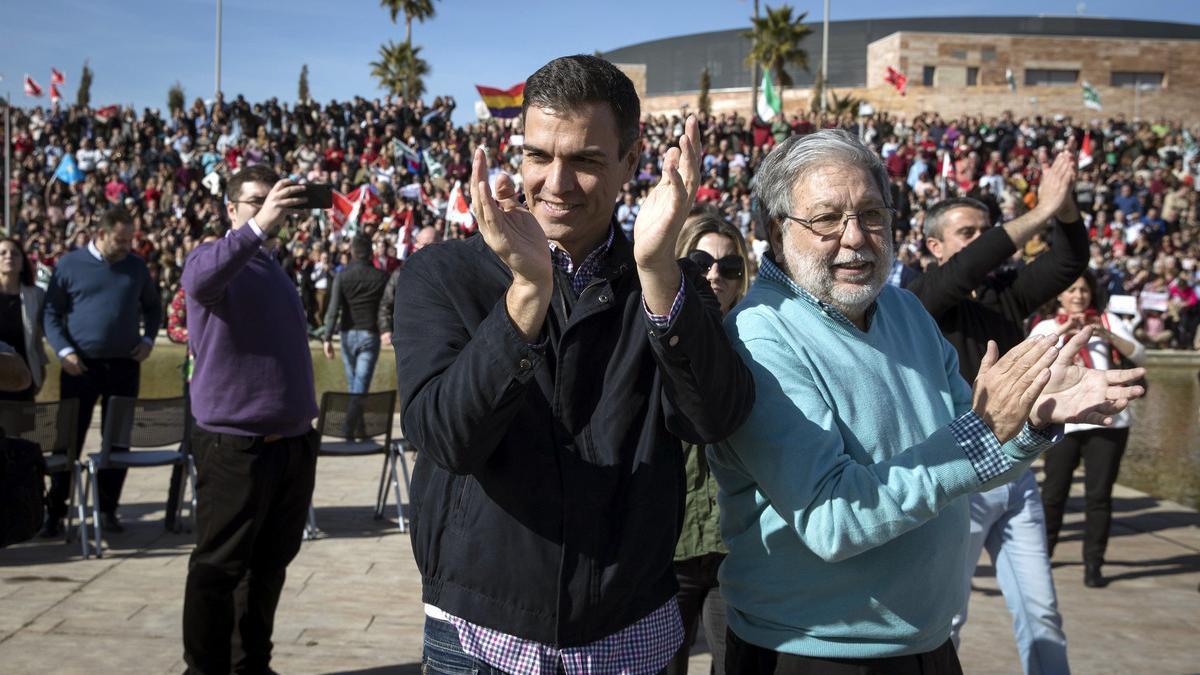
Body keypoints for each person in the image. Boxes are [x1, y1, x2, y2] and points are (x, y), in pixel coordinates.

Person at [709, 129, 1144, 673]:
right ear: (777, 231)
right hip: (815, 651)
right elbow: (834, 519)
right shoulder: (758, 335)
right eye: (827, 219)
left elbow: (972, 463)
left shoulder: (903, 310)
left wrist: (1031, 418)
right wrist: (985, 434)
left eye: (872, 214)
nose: (855, 238)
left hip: (928, 643)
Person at [393, 55, 755, 674]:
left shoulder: (670, 280)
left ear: (630, 165)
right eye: (539, 155)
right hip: (480, 635)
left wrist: (660, 270)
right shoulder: (442, 274)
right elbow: (447, 438)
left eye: (585, 160)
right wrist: (526, 295)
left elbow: (714, 418)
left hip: (629, 633)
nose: (556, 183)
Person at [907, 152, 1088, 675]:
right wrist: (1036, 213)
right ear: (934, 246)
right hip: (958, 479)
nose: (982, 242)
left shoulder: (1003, 300)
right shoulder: (919, 300)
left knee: (1042, 613)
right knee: (948, 620)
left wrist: (1065, 206)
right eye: (968, 233)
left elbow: (1070, 261)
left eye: (985, 231)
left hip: (1018, 473)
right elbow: (965, 268)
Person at [180, 164, 319, 675]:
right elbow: (197, 280)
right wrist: (259, 225)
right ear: (231, 208)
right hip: (235, 444)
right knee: (219, 567)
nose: (268, 208)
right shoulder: (213, 259)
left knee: (268, 567)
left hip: (289, 444)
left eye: (273, 199)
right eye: (255, 200)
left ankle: (250, 666)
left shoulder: (270, 265)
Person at [41, 206, 162, 536]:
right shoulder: (70, 265)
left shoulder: (136, 267)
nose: (126, 247)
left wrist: (149, 339)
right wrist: (64, 351)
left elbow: (154, 308)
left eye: (129, 240)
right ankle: (55, 512)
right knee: (68, 441)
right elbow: (51, 314)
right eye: (120, 241)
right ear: (101, 234)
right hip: (80, 366)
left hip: (124, 365)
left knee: (118, 441)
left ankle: (108, 509)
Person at [666, 210, 750, 675]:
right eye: (700, 263)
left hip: (733, 544)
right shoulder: (651, 331)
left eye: (729, 266)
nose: (716, 275)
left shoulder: (763, 338)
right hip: (665, 545)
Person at [1031, 271, 1146, 588]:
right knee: (1054, 494)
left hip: (1109, 420)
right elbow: (1028, 362)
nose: (1078, 296)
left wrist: (1107, 336)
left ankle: (1093, 563)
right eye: (1071, 290)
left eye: (1083, 290)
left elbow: (1140, 354)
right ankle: (1042, 556)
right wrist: (1064, 333)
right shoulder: (1047, 326)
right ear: (1060, 296)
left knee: (1099, 496)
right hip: (1062, 423)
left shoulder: (1108, 321)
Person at [323, 235, 389, 440]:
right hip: (369, 334)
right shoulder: (381, 276)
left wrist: (326, 337)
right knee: (358, 386)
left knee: (355, 385)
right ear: (371, 252)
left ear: (352, 252)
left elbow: (333, 309)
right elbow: (387, 306)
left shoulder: (342, 276)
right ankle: (350, 429)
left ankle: (353, 429)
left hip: (346, 334)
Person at [0, 238, 46, 402]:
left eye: (15, 253)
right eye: (3, 253)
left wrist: (40, 368)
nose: (9, 257)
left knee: (21, 427)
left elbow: (39, 338)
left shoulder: (37, 295)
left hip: (24, 374)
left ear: (23, 262)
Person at [378, 226, 441, 346]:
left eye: (429, 244)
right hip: (409, 339)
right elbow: (386, 302)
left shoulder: (451, 272)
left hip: (441, 340)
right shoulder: (402, 272)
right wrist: (385, 329)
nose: (424, 248)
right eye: (422, 244)